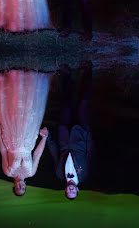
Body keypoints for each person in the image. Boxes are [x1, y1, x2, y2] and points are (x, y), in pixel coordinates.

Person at [0, 70, 51, 196]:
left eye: (18, 188)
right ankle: (27, 80)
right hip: (28, 141)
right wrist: (44, 139)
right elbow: (37, 155)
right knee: (27, 112)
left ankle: (11, 80)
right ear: (25, 187)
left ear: (14, 186)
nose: (21, 186)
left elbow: (3, 152)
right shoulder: (31, 172)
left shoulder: (8, 172)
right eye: (23, 189)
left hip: (11, 139)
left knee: (12, 112)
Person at [48, 61, 94, 200]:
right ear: (78, 190)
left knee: (66, 105)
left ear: (65, 190)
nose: (71, 190)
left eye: (69, 192)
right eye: (74, 192)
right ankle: (88, 71)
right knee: (82, 104)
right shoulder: (84, 175)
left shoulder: (60, 174)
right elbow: (89, 153)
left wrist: (48, 139)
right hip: (81, 133)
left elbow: (55, 153)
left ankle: (66, 74)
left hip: (65, 134)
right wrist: (88, 134)